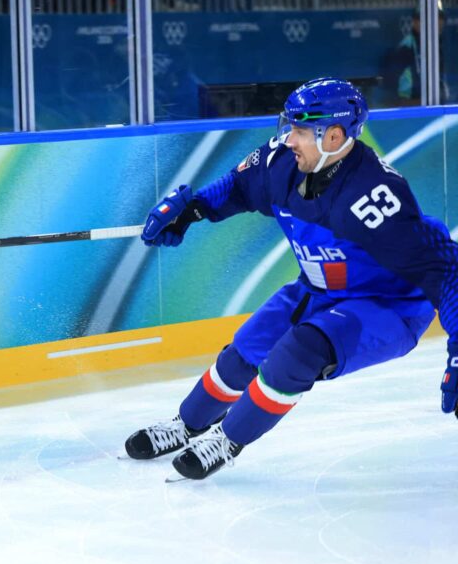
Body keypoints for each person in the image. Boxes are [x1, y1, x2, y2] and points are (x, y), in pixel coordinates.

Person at [124, 77, 458, 481]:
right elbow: (237, 188)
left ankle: (227, 439)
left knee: (301, 351)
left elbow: (447, 271)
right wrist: (192, 209)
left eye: (301, 131)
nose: (288, 140)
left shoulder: (376, 194)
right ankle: (186, 424)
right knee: (243, 352)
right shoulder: (281, 161)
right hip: (317, 288)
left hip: (387, 305)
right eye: (290, 127)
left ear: (334, 136)